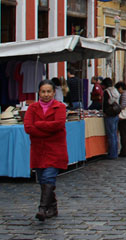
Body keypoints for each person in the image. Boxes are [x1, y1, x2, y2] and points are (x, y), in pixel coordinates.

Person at [24, 80, 68, 221]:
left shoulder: (60, 107)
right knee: (42, 179)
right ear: (39, 93)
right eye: (43, 91)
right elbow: (28, 128)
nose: (46, 94)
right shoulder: (32, 108)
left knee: (49, 177)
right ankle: (53, 206)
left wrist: (39, 125)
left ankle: (42, 208)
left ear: (54, 92)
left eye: (49, 91)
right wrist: (48, 130)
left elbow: (59, 124)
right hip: (38, 150)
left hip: (55, 149)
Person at [102, 78, 120, 160]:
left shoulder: (106, 91)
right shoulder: (115, 90)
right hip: (116, 113)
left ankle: (112, 153)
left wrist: (104, 111)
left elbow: (105, 103)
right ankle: (115, 152)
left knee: (111, 134)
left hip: (109, 114)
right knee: (115, 134)